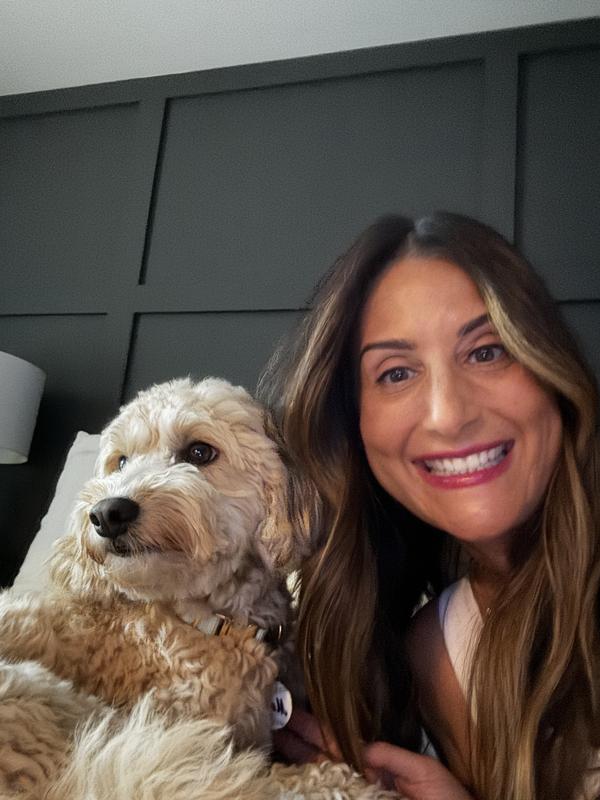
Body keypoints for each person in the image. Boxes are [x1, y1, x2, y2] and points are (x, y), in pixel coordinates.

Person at [258, 212, 600, 800]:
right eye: (395, 373)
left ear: (550, 367)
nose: (449, 414)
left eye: (487, 351)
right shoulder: (442, 647)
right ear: (356, 427)